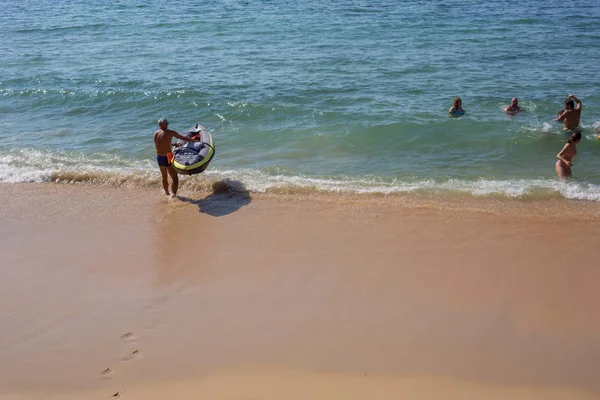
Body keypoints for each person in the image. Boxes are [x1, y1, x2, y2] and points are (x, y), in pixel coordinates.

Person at [153, 118, 199, 197]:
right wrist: (195, 141)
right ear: (164, 124)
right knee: (175, 178)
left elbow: (159, 144)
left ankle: (167, 193)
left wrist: (173, 144)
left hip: (159, 157)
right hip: (168, 156)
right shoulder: (171, 132)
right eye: (166, 123)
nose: (167, 125)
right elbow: (183, 138)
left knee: (164, 176)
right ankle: (173, 195)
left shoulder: (156, 133)